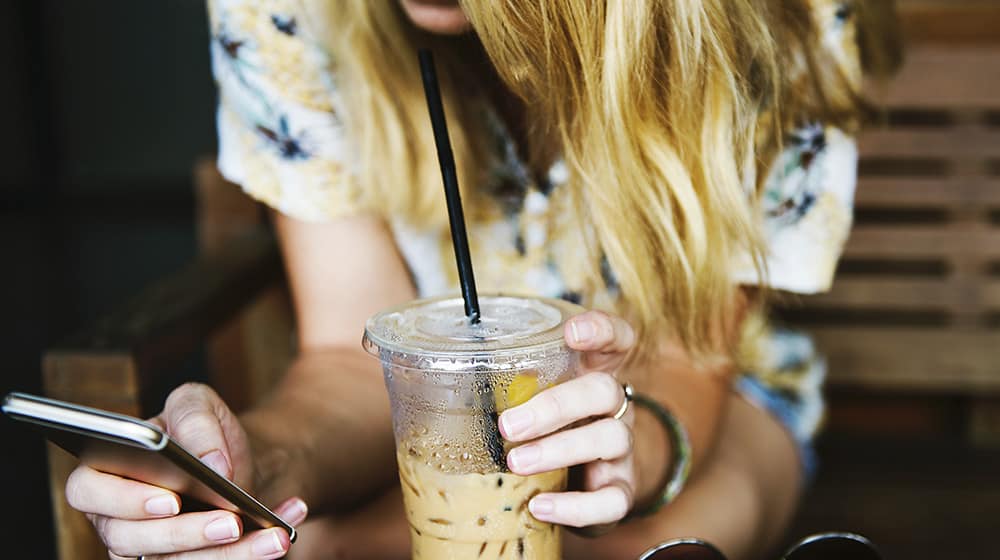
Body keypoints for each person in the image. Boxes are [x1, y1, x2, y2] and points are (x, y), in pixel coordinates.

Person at [64, 1, 901, 559]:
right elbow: (353, 357)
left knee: (628, 544)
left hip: (707, 399)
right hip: (431, 424)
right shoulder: (288, 13)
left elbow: (692, 357)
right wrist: (257, 463)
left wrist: (627, 448)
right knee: (299, 543)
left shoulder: (771, 17)